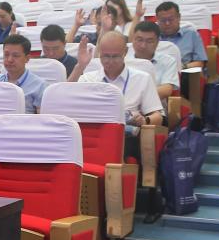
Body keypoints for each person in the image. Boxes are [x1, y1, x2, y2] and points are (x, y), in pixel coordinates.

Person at [69, 32, 164, 180]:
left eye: (115, 56)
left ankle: (116, 187)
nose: (110, 61)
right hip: (92, 134)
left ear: (125, 52)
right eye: (105, 56)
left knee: (117, 142)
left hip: (125, 134)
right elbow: (64, 97)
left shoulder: (142, 78)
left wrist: (144, 120)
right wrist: (80, 66)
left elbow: (158, 116)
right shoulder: (88, 78)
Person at [129, 21, 180, 102]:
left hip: (156, 106)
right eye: (139, 40)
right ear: (133, 39)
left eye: (149, 41)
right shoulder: (124, 60)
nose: (143, 46)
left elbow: (166, 90)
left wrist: (134, 98)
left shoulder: (168, 61)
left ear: (157, 42)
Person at [154, 1, 207, 69]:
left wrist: (181, 67)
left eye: (171, 19)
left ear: (179, 17)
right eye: (163, 20)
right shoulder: (152, 37)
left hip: (184, 72)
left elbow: (200, 62)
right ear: (157, 19)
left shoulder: (191, 34)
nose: (167, 23)